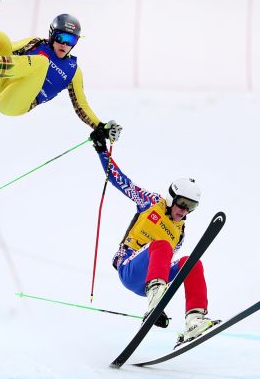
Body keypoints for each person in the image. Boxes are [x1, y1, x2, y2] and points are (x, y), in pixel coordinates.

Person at [89, 129, 221, 346]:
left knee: (192, 263)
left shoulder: (179, 232)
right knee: (161, 245)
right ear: (171, 197)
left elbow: (165, 262)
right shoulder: (150, 202)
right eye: (182, 203)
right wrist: (102, 150)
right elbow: (120, 180)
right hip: (130, 268)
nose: (184, 211)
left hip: (150, 280)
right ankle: (155, 299)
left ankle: (194, 320)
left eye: (191, 207)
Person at [0, 13, 122, 139]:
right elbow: (8, 50)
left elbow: (82, 106)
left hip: (14, 103)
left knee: (42, 63)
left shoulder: (73, 71)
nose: (64, 44)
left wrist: (101, 126)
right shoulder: (35, 43)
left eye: (70, 40)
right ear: (52, 35)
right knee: (0, 38)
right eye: (60, 37)